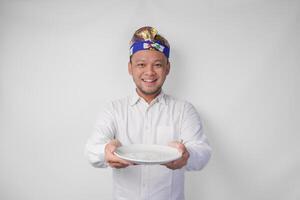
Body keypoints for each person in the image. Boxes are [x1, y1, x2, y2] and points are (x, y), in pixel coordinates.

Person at [85, 26, 212, 200]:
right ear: (130, 68)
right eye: (141, 64)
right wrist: (106, 151)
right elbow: (92, 150)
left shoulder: (184, 110)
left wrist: (186, 154)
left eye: (158, 65)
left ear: (167, 68)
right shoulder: (113, 110)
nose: (150, 72)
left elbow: (203, 152)